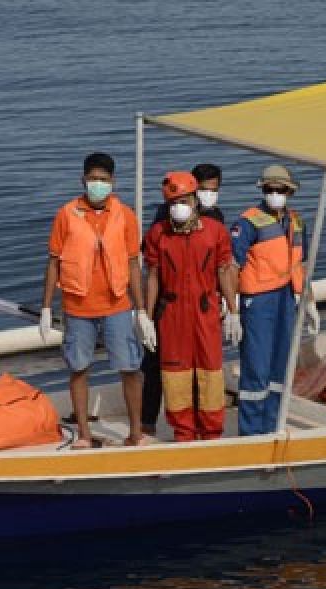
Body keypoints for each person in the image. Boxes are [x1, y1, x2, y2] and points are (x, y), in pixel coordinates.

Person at [40, 152, 156, 448]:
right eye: (93, 179)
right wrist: (45, 307)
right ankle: (84, 434)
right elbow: (53, 262)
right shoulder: (66, 214)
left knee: (130, 368)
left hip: (118, 304)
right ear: (83, 180)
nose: (98, 185)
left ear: (113, 182)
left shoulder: (125, 215)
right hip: (78, 307)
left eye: (103, 180)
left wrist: (141, 310)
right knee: (79, 368)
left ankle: (135, 433)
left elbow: (133, 264)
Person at [142, 171, 239, 441]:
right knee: (176, 376)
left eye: (183, 201)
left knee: (210, 372)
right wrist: (147, 318)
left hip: (206, 310)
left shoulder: (215, 231)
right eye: (173, 203)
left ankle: (211, 433)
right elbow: (152, 277)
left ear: (195, 200)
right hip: (171, 314)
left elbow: (223, 269)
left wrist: (233, 310)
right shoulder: (158, 234)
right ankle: (183, 432)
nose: (178, 207)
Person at [230, 165, 321, 436]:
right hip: (257, 301)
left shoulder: (296, 222)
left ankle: (272, 425)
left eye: (279, 190)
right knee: (256, 367)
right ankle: (250, 431)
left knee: (281, 366)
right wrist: (232, 310)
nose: (274, 194)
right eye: (269, 189)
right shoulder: (247, 223)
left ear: (289, 192)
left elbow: (298, 266)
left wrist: (309, 302)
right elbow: (231, 267)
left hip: (285, 299)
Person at [151, 163, 226, 225]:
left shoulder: (216, 215)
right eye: (203, 189)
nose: (208, 194)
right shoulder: (172, 211)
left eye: (214, 190)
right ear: (192, 187)